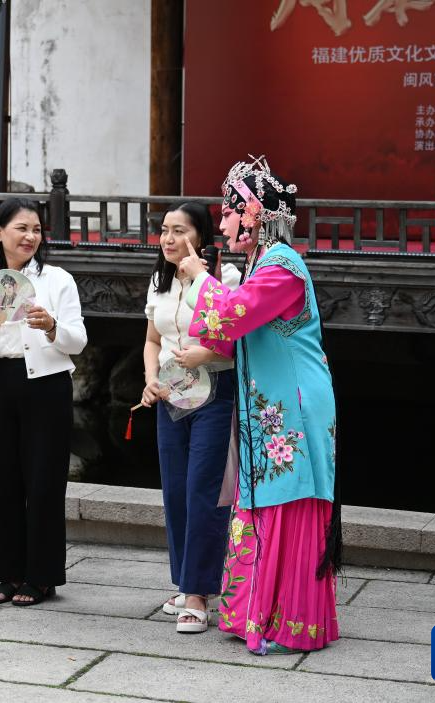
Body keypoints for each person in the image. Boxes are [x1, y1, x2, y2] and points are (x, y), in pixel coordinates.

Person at [177, 156, 340, 655]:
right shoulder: (261, 265)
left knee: (287, 498)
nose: (222, 222)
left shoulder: (282, 265)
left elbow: (229, 317)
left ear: (253, 216)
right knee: (264, 497)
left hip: (293, 405)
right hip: (271, 404)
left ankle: (287, 620)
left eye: (228, 212)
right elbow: (226, 333)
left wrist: (201, 278)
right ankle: (258, 612)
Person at [0, 197, 87, 606]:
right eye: (21, 228)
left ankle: (42, 577)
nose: (30, 236)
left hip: (46, 385)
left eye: (36, 229)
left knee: (45, 481)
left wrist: (51, 327)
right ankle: (9, 573)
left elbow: (78, 340)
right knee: (2, 481)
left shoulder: (57, 281)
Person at [139, 202, 241, 634]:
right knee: (176, 490)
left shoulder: (225, 278)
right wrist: (150, 379)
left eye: (179, 231)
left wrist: (209, 352)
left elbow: (235, 337)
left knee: (204, 490)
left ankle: (199, 592)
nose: (168, 239)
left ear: (201, 236)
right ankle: (185, 580)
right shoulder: (159, 281)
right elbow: (152, 340)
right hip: (171, 394)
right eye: (165, 230)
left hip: (214, 392)